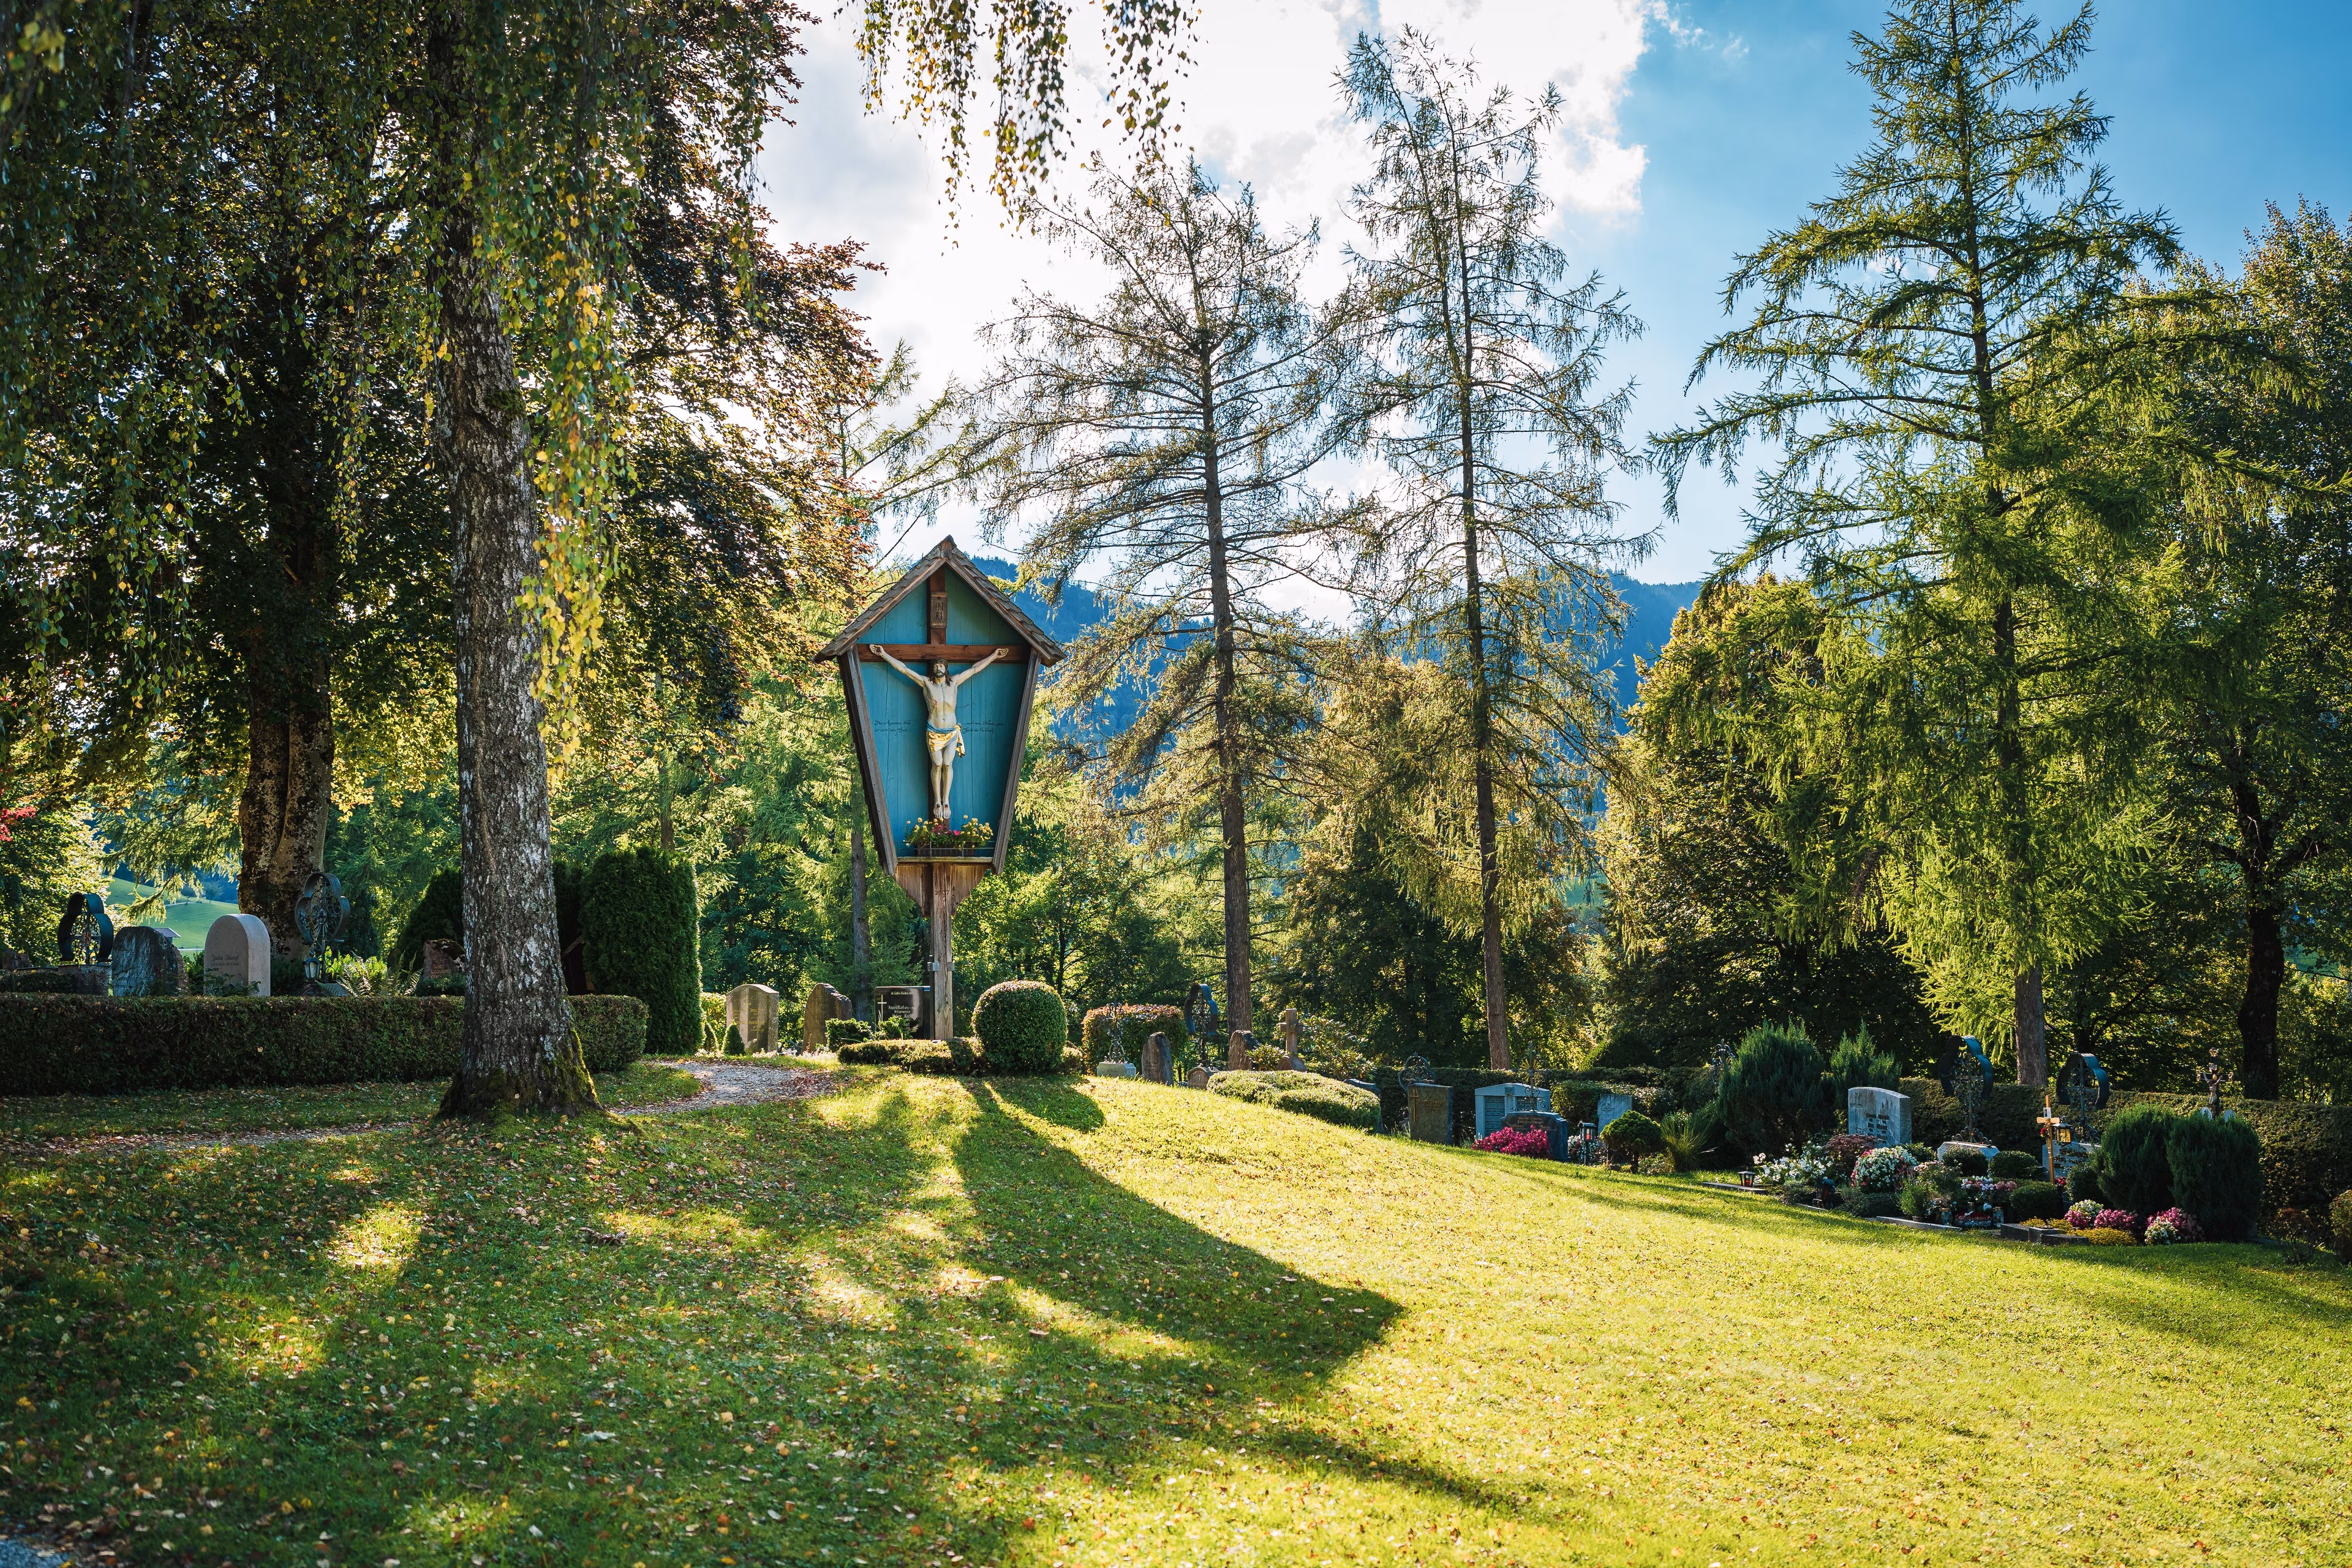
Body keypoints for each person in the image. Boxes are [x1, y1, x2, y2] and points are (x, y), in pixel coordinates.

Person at [873, 646, 1005, 820]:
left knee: (948, 765)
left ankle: (946, 800)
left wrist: (994, 656)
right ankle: (937, 799)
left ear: (946, 669)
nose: (938, 668)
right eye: (936, 666)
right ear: (933, 670)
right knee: (937, 764)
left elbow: (974, 669)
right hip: (934, 731)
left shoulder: (955, 682)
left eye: (942, 666)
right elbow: (904, 670)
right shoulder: (926, 683)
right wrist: (884, 654)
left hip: (951, 731)